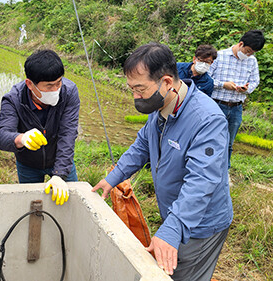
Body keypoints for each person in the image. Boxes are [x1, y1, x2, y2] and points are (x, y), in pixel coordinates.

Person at [92, 43, 233, 281]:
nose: (136, 97)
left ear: (166, 82)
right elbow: (141, 147)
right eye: (131, 89)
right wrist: (111, 179)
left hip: (200, 223)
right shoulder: (162, 105)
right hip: (176, 213)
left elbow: (201, 183)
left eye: (140, 89)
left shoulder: (207, 120)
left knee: (181, 276)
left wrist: (172, 229)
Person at [0, 50, 80, 205]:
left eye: (58, 83)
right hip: (28, 164)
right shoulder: (13, 100)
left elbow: (67, 134)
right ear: (30, 84)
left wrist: (59, 174)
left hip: (61, 160)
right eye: (49, 86)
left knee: (69, 202)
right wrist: (21, 138)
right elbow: (2, 136)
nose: (55, 90)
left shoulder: (69, 92)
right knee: (32, 204)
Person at [208, 30, 265, 167]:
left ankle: (224, 173)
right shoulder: (219, 56)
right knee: (210, 139)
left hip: (236, 108)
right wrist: (223, 85)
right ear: (241, 44)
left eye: (253, 53)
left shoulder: (252, 61)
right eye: (248, 51)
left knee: (228, 143)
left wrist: (247, 88)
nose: (249, 55)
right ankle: (206, 169)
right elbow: (206, 79)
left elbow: (255, 81)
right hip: (216, 105)